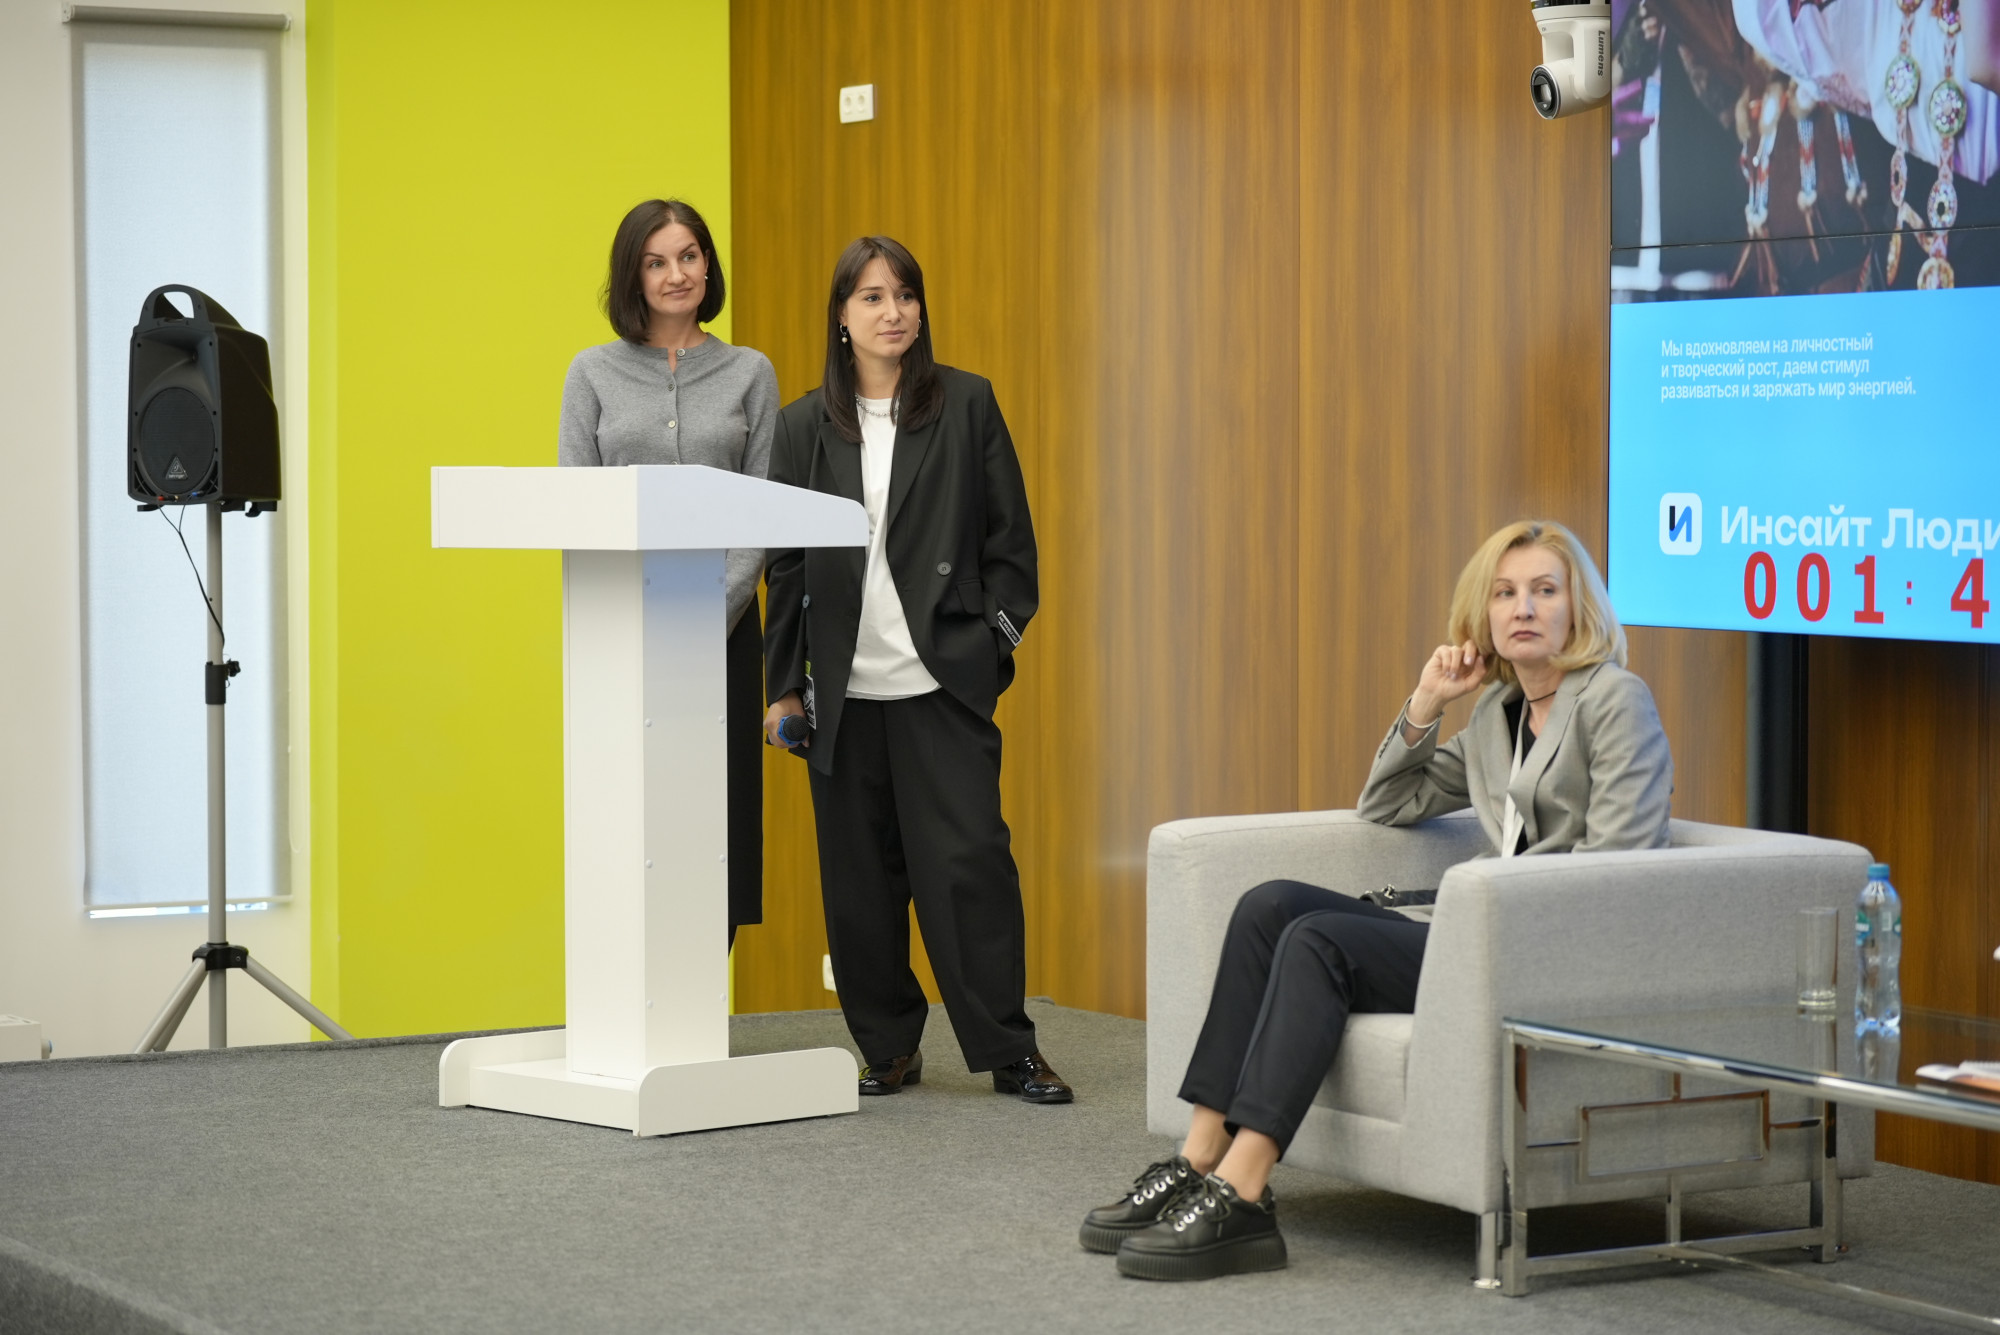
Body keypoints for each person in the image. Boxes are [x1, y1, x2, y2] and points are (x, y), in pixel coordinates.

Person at [1082, 519, 1674, 1281]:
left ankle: (1245, 1191)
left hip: (1544, 951)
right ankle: (1198, 1156)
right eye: (1504, 593)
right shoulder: (1496, 715)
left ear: (1579, 608)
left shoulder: (1616, 700)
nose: (1523, 607)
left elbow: (1620, 872)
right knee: (1269, 907)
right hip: (1476, 935)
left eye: (1544, 590)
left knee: (1319, 941)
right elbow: (1388, 803)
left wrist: (1490, 900)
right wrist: (1428, 701)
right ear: (1484, 613)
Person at [761, 236, 1072, 1104]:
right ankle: (888, 1045)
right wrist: (783, 686)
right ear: (841, 316)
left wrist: (990, 646)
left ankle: (1009, 1049)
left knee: (971, 869)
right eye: (871, 297)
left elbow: (1012, 546)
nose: (892, 311)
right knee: (859, 884)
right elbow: (785, 567)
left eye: (904, 294)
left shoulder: (967, 403)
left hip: (941, 683)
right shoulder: (801, 425)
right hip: (842, 695)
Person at [558, 198, 778, 949]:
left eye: (688, 256)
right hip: (621, 634)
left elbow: (761, 506)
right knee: (627, 821)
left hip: (725, 631)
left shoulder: (750, 372)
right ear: (633, 276)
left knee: (716, 822)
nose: (675, 274)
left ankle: (700, 991)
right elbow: (577, 510)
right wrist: (638, 622)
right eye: (656, 262)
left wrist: (708, 614)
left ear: (708, 265)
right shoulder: (591, 373)